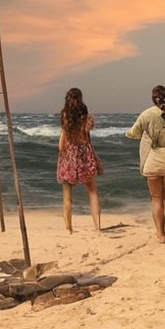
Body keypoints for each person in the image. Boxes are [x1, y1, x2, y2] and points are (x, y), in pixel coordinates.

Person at [126, 84, 165, 244]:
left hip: (152, 160)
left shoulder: (145, 115)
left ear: (153, 98)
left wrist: (130, 134)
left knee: (156, 198)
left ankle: (161, 234)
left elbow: (134, 133)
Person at [56, 88, 103, 233]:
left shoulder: (64, 116)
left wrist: (63, 156)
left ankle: (69, 228)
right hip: (85, 155)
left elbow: (61, 143)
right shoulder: (86, 116)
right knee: (92, 192)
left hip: (69, 156)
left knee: (67, 196)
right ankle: (97, 227)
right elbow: (87, 138)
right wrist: (95, 157)